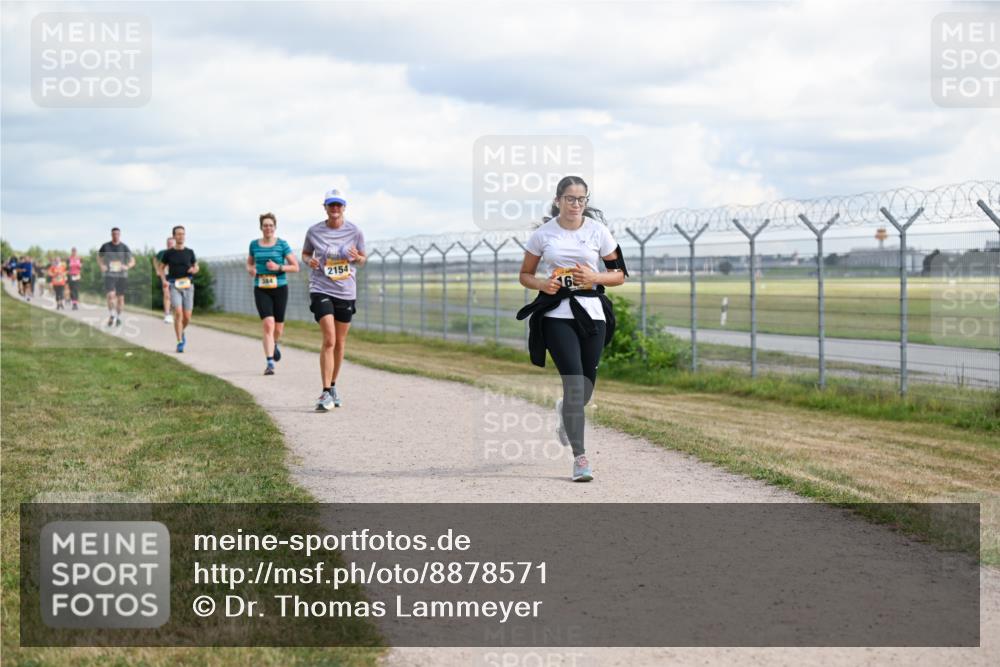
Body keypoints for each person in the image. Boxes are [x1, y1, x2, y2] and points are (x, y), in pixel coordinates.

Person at [516, 176, 628, 482]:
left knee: (586, 386)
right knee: (574, 383)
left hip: (592, 314)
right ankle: (580, 458)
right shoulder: (543, 234)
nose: (575, 204)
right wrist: (543, 283)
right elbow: (525, 274)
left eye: (581, 199)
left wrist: (594, 277)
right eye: (570, 199)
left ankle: (566, 411)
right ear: (558, 201)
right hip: (556, 315)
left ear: (586, 202)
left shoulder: (598, 232)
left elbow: (619, 275)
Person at [301, 188, 367, 410]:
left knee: (340, 343)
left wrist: (357, 258)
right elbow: (305, 254)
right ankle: (325, 392)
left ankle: (334, 385)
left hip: (346, 291)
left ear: (344, 207)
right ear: (325, 208)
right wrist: (308, 261)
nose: (335, 208)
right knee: (329, 339)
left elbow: (362, 259)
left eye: (338, 205)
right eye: (331, 205)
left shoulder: (355, 231)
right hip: (321, 287)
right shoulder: (314, 231)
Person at [247, 212, 299, 375]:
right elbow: (249, 264)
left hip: (280, 288)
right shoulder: (254, 245)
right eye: (265, 225)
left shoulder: (282, 244)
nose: (268, 228)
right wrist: (251, 270)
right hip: (261, 288)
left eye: (270, 225)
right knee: (268, 323)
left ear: (274, 227)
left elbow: (295, 267)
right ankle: (270, 363)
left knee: (278, 327)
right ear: (261, 227)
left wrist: (279, 267)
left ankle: (274, 343)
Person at [158, 226, 199, 353]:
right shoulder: (169, 253)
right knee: (179, 313)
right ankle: (180, 341)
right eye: (178, 234)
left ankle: (181, 330)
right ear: (174, 236)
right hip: (174, 286)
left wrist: (194, 269)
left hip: (188, 286)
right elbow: (161, 268)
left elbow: (196, 266)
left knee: (187, 317)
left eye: (183, 234)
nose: (181, 236)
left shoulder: (190, 252)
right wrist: (164, 280)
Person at [98, 227, 135, 327]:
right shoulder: (105, 246)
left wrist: (127, 266)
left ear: (120, 235)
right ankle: (112, 315)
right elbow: (99, 257)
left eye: (117, 234)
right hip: (109, 274)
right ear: (111, 235)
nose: (116, 235)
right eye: (114, 234)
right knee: (110, 295)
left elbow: (132, 261)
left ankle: (118, 317)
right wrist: (102, 265)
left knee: (120, 299)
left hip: (122, 276)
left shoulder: (124, 247)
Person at [154, 237, 176, 323]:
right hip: (165, 276)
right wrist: (157, 270)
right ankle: (167, 314)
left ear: (175, 243)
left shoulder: (178, 253)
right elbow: (155, 259)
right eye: (168, 243)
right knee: (167, 294)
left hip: (176, 277)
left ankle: (174, 314)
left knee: (174, 296)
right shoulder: (162, 253)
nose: (170, 244)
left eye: (171, 243)